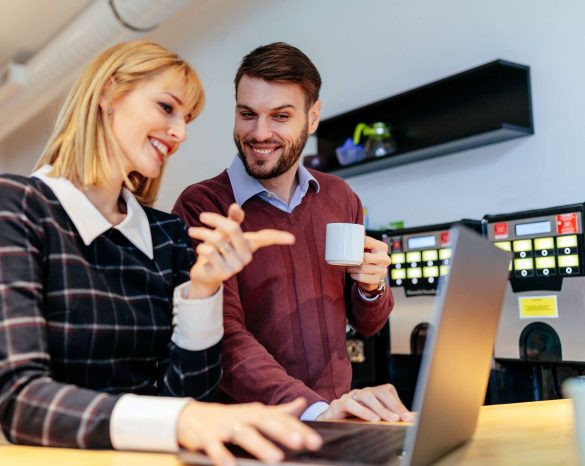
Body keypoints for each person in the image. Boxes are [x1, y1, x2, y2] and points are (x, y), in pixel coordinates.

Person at [0, 40, 323, 466]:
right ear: (109, 94)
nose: (180, 133)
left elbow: (187, 393)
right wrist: (181, 420)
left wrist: (204, 291)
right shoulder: (19, 206)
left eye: (186, 119)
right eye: (167, 108)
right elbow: (18, 399)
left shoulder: (168, 234)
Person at [172, 42, 413, 423]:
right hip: (250, 432)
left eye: (280, 116)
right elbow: (221, 336)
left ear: (312, 117)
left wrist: (372, 288)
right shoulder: (204, 205)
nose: (259, 132)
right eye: (247, 114)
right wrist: (315, 410)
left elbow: (368, 324)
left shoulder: (339, 196)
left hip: (337, 421)